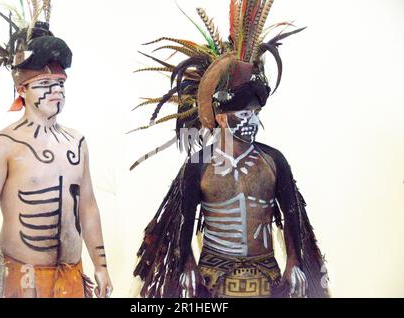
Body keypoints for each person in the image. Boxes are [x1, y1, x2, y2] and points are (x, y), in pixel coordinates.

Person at [132, 0, 329, 298]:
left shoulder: (273, 161)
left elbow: (292, 215)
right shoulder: (199, 165)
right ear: (221, 117)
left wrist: (294, 262)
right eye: (242, 114)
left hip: (265, 273)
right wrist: (186, 265)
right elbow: (183, 221)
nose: (250, 121)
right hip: (214, 277)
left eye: (256, 114)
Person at [0, 1, 112, 298]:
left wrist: (101, 265)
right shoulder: (1, 146)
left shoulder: (77, 143)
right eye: (44, 83)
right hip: (19, 279)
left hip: (70, 277)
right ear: (22, 90)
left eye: (59, 82)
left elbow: (88, 208)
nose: (56, 90)